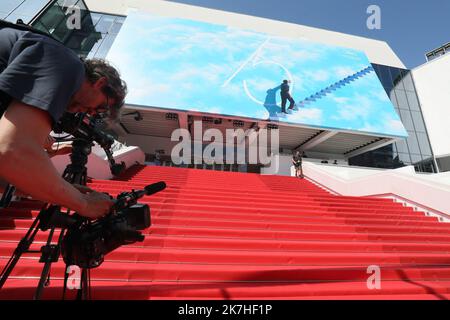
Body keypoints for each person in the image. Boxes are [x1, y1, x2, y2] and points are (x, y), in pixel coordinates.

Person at [0, 21, 127, 219]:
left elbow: (6, 167)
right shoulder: (68, 65)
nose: (92, 113)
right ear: (100, 83)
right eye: (101, 108)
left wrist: (65, 192)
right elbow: (12, 151)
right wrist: (82, 203)